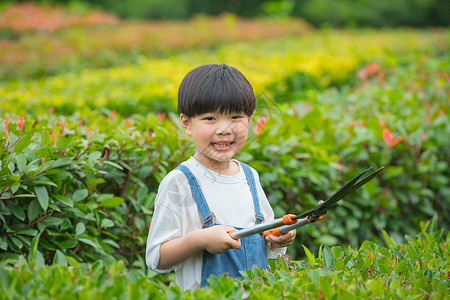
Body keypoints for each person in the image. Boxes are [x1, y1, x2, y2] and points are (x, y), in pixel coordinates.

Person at [145, 63, 296, 290]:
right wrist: (201, 240)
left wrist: (279, 237)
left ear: (249, 120)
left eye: (235, 117)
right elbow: (156, 259)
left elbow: (265, 242)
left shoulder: (249, 176)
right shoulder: (179, 182)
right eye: (210, 118)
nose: (224, 129)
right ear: (186, 123)